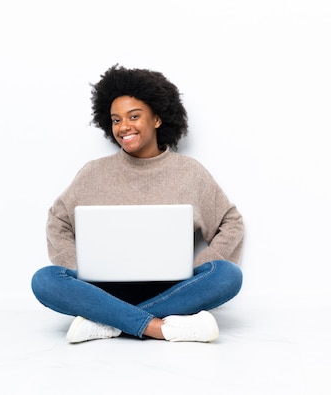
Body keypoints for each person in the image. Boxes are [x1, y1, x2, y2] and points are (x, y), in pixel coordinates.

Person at [31, 65, 244, 344]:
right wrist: (78, 267)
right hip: (104, 290)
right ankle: (159, 327)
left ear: (157, 118)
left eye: (134, 116)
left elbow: (231, 221)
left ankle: (109, 322)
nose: (123, 127)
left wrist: (199, 265)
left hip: (174, 289)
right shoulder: (93, 173)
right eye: (116, 120)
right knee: (44, 280)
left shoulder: (190, 173)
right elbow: (57, 219)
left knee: (228, 275)